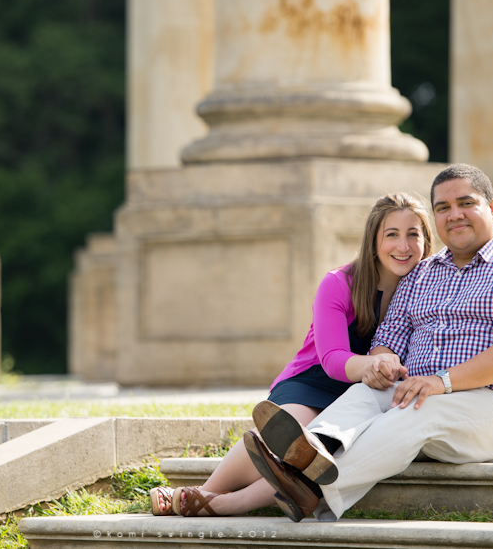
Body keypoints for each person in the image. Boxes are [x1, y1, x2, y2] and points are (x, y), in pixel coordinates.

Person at [246, 163, 493, 522]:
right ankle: (312, 448)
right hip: (424, 397)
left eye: (466, 203)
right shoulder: (422, 275)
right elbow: (388, 339)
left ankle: (310, 488)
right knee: (367, 394)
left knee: (422, 406)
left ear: (492, 208)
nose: (454, 215)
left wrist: (441, 382)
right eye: (443, 208)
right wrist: (383, 363)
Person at [149, 192, 435, 516]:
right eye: (392, 235)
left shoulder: (430, 290)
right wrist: (371, 363)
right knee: (289, 433)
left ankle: (215, 502)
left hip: (365, 397)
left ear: (427, 240)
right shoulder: (339, 284)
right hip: (313, 381)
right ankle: (206, 491)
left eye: (414, 234)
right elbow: (331, 358)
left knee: (319, 453)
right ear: (373, 241)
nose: (404, 246)